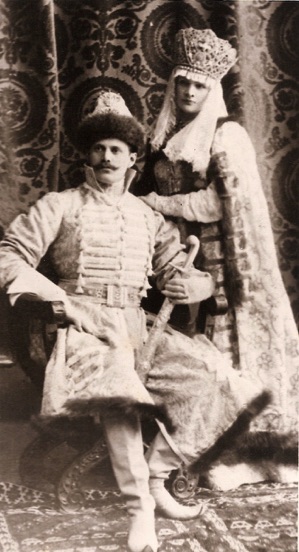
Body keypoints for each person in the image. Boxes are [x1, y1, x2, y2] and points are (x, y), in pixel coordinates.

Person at [0, 90, 268, 552]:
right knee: (121, 391)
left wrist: (195, 287)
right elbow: (9, 256)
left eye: (116, 150)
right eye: (99, 148)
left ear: (132, 160)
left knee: (216, 380)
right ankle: (138, 507)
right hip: (84, 329)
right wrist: (60, 301)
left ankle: (160, 479)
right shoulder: (60, 205)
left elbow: (179, 271)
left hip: (140, 325)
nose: (106, 156)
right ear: (87, 155)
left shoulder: (147, 216)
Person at [139, 28, 298, 435]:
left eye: (199, 85)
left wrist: (159, 204)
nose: (189, 92)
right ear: (173, 85)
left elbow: (217, 202)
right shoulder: (163, 137)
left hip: (219, 259)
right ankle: (175, 436)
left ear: (212, 90)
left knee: (219, 343)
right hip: (166, 251)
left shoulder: (227, 135)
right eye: (183, 83)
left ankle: (234, 438)